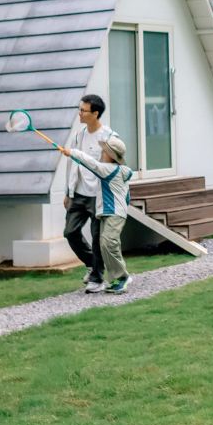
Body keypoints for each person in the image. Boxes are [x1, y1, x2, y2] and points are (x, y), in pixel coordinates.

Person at [59, 94, 123, 293]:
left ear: (95, 114)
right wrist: (68, 192)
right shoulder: (79, 135)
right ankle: (91, 263)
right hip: (78, 194)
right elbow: (72, 165)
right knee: (70, 232)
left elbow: (113, 167)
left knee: (97, 238)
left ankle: (97, 277)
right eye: (79, 109)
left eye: (83, 111)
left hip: (98, 196)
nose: (79, 114)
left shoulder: (110, 138)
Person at [61, 135, 135, 294]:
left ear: (110, 155)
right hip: (108, 213)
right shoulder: (119, 170)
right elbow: (127, 195)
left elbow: (90, 163)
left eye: (104, 150)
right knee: (105, 245)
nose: (101, 152)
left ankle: (123, 277)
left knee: (108, 243)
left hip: (114, 213)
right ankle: (116, 277)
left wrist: (71, 152)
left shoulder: (108, 170)